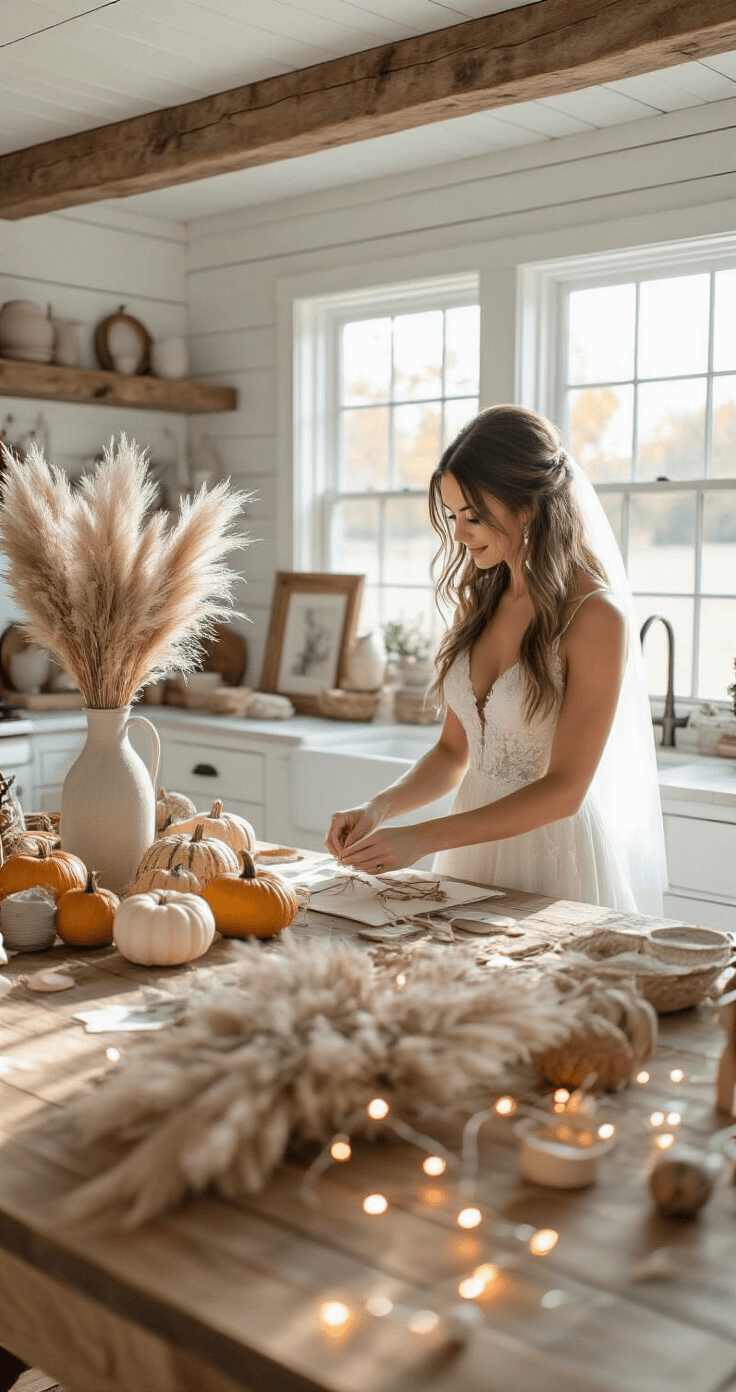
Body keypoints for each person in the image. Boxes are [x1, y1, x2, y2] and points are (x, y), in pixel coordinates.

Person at [325, 405, 667, 916]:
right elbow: (452, 754)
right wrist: (378, 808)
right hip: (466, 854)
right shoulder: (480, 600)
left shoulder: (595, 616)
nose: (460, 534)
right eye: (452, 516)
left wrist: (420, 839)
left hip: (554, 861)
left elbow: (566, 789)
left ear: (527, 504)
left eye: (474, 516)